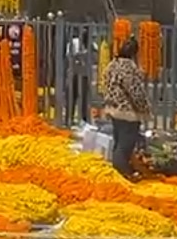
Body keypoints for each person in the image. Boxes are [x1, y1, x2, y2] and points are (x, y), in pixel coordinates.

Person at [102, 38, 151, 179]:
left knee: (119, 142)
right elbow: (135, 92)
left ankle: (120, 171)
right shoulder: (129, 67)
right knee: (125, 145)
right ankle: (123, 174)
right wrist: (145, 109)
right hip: (127, 111)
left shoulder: (112, 65)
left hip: (114, 109)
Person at [65, 30, 91, 125]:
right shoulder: (74, 43)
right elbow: (69, 57)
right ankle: (69, 119)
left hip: (84, 74)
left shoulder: (90, 45)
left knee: (84, 98)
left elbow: (93, 56)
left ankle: (84, 120)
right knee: (71, 96)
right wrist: (79, 56)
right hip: (73, 73)